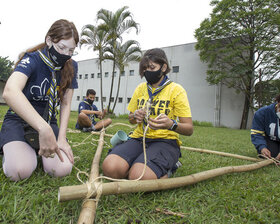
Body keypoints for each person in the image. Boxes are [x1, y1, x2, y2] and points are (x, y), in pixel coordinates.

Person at [0, 19, 79, 181]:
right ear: (49, 40)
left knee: (61, 169)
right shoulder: (32, 59)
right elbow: (10, 91)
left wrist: (62, 139)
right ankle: (12, 149)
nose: (66, 55)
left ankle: (32, 150)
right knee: (20, 171)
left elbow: (65, 103)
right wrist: (43, 128)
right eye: (61, 48)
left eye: (71, 50)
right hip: (19, 121)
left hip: (49, 122)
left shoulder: (72, 66)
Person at [102, 48, 193, 180]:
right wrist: (135, 116)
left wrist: (171, 124)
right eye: (145, 68)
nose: (147, 71)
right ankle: (140, 163)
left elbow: (189, 129)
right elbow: (131, 119)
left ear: (163, 67)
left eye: (152, 67)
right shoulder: (140, 88)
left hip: (165, 141)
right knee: (111, 168)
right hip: (139, 138)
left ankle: (171, 166)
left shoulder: (176, 90)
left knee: (138, 177)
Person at [251, 94, 280, 160]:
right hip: (271, 140)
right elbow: (257, 133)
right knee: (270, 155)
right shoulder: (262, 113)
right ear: (278, 102)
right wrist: (262, 147)